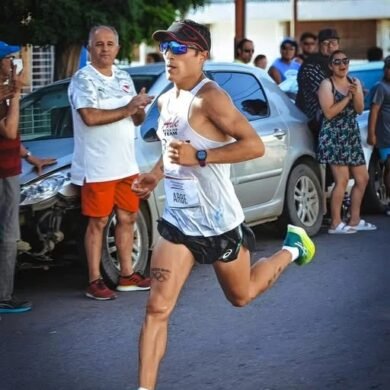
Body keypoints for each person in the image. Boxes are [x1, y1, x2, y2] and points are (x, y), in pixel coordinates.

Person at [132, 19, 316, 390]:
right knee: (157, 309)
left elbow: (253, 145)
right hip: (179, 223)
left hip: (219, 223)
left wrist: (199, 155)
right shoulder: (167, 99)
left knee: (242, 295)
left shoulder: (210, 97)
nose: (170, 55)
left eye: (180, 48)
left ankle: (292, 249)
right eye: (167, 48)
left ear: (201, 54)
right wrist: (156, 173)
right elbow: (173, 150)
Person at [68, 25, 153, 300]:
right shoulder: (83, 79)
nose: (104, 48)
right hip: (97, 166)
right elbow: (90, 117)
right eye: (98, 44)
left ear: (117, 48)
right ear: (89, 48)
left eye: (109, 44)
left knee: (128, 218)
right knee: (99, 222)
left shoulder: (125, 77)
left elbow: (136, 120)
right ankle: (94, 280)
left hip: (126, 164)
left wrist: (138, 109)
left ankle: (127, 276)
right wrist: (128, 108)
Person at [0, 41, 56, 314]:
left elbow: (12, 140)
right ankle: (3, 297)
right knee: (7, 236)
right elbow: (9, 131)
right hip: (2, 175)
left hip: (10, 170)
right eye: (9, 59)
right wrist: (18, 92)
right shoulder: (5, 95)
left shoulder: (6, 93)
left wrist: (29, 156)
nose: (15, 64)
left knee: (8, 234)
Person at [317, 50, 376, 234]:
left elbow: (359, 110)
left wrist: (356, 93)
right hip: (334, 135)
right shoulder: (326, 85)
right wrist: (347, 98)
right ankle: (335, 223)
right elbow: (329, 112)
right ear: (330, 66)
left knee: (362, 178)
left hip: (350, 134)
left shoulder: (354, 81)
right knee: (341, 180)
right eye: (337, 62)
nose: (342, 65)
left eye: (345, 61)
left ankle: (354, 219)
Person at [296, 28, 341, 136]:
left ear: (338, 45)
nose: (330, 46)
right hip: (319, 123)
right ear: (319, 45)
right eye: (325, 43)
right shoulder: (311, 65)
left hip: (337, 121)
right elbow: (327, 95)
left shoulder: (338, 63)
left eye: (333, 43)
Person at [367, 55, 390, 215]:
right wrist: (371, 134)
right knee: (389, 168)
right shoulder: (380, 87)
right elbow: (374, 111)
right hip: (385, 136)